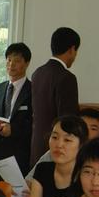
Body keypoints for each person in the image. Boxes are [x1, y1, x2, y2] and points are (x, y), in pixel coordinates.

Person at [13, 115, 88, 197]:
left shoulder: (87, 178)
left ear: (82, 145)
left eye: (67, 140)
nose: (59, 144)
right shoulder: (43, 169)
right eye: (54, 137)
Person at [28, 27, 81, 166]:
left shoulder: (37, 73)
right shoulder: (67, 77)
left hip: (37, 145)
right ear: (72, 49)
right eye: (76, 52)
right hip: (57, 148)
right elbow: (68, 120)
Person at [0, 42, 34, 173]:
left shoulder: (33, 90)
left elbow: (35, 123)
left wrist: (13, 130)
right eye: (9, 60)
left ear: (27, 63)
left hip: (18, 152)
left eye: (17, 61)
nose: (11, 65)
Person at [24, 107, 99, 180]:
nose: (87, 131)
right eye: (55, 137)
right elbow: (28, 182)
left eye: (93, 128)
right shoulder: (52, 155)